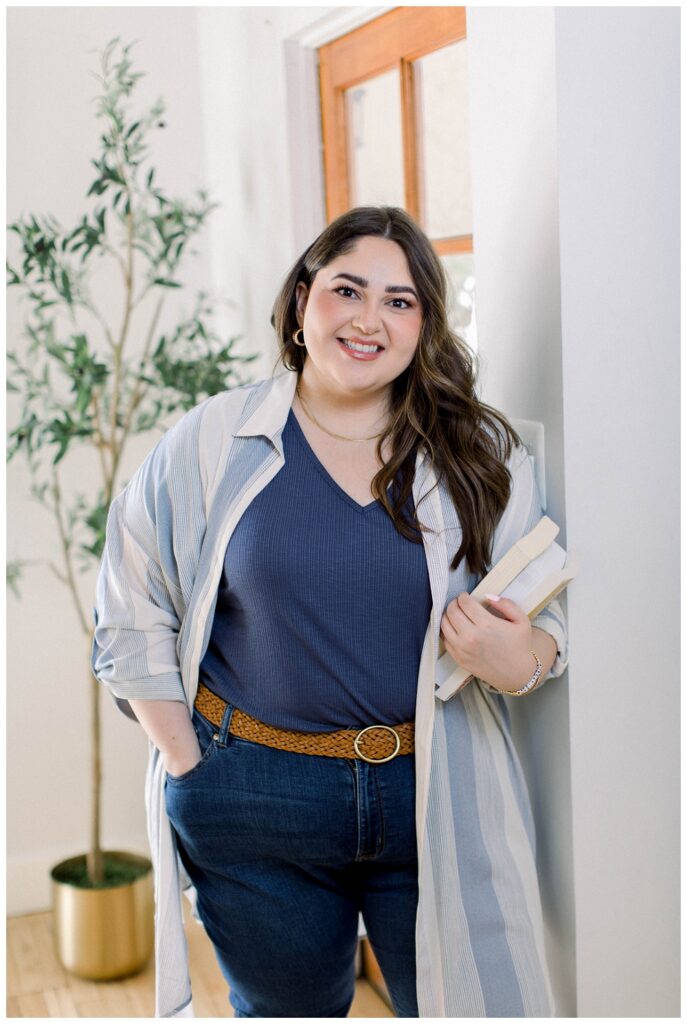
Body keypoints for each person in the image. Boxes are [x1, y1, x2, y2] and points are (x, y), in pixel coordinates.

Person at [92, 205, 569, 1018]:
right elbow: (131, 607)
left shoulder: (479, 454)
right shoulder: (210, 440)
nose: (367, 319)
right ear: (302, 298)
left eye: (398, 301)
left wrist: (517, 661)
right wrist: (187, 762)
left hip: (432, 787)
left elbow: (549, 618)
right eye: (347, 289)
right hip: (252, 798)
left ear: (423, 325)